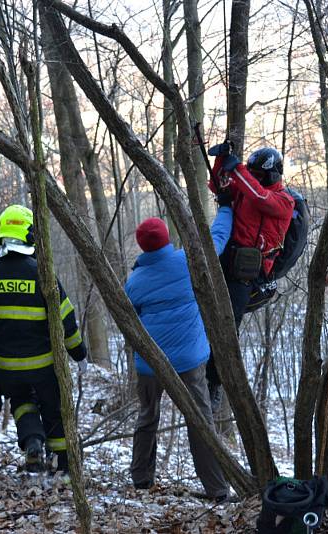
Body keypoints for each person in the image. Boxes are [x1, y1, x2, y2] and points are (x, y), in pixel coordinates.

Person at [0, 204, 87, 480]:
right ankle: (65, 466)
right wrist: (79, 354)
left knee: (22, 402)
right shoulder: (42, 275)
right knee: (54, 408)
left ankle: (33, 444)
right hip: (43, 365)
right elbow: (66, 321)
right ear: (30, 235)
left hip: (6, 366)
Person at [125, 204, 233, 502]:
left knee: (147, 417)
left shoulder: (134, 282)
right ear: (166, 238)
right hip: (189, 362)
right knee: (201, 422)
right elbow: (217, 238)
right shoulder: (188, 261)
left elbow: (129, 319)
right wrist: (227, 208)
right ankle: (217, 489)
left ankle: (141, 480)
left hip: (149, 365)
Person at [205, 142, 295, 407]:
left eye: (258, 174)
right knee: (202, 309)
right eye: (251, 174)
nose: (253, 178)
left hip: (248, 272)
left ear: (271, 175)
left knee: (227, 326)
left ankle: (215, 382)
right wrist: (223, 161)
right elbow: (218, 186)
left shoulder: (283, 201)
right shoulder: (248, 187)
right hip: (226, 258)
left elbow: (260, 197)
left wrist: (240, 169)